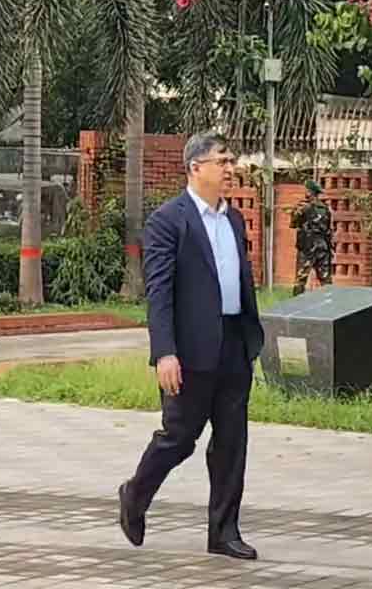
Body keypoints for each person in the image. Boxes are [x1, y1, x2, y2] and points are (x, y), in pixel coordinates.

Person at [118, 132, 265, 560]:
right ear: (195, 167)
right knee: (179, 438)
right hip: (191, 349)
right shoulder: (168, 221)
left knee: (232, 441)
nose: (230, 168)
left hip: (234, 343)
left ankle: (224, 531)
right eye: (222, 161)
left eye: (231, 160)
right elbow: (159, 293)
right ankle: (135, 494)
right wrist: (165, 352)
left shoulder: (234, 219)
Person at [290, 179, 333, 296]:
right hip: (323, 247)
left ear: (309, 192)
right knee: (326, 279)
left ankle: (296, 303)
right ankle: (330, 302)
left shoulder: (303, 207)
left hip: (307, 247)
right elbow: (328, 230)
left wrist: (295, 211)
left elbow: (293, 224)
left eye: (306, 190)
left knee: (300, 279)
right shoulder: (325, 209)